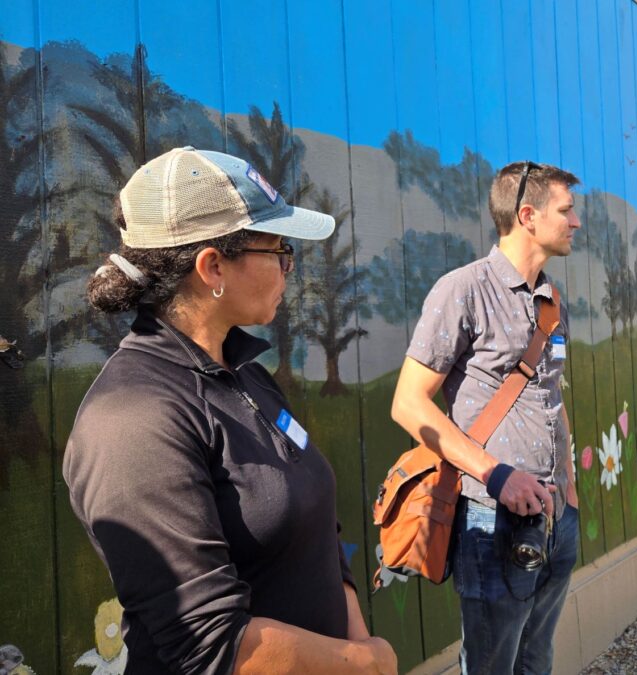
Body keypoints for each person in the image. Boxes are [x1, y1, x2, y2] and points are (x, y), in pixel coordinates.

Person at [63, 147, 397, 675]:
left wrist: (357, 642)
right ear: (212, 265)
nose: (290, 268)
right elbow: (210, 643)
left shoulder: (247, 375)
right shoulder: (133, 418)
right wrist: (364, 664)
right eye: (280, 251)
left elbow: (317, 528)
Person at [391, 161, 581, 674]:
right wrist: (496, 475)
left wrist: (569, 489)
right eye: (567, 211)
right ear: (528, 215)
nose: (576, 222)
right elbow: (408, 403)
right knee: (493, 665)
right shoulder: (463, 290)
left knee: (536, 660)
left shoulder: (552, 300)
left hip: (555, 515)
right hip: (488, 519)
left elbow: (552, 397)